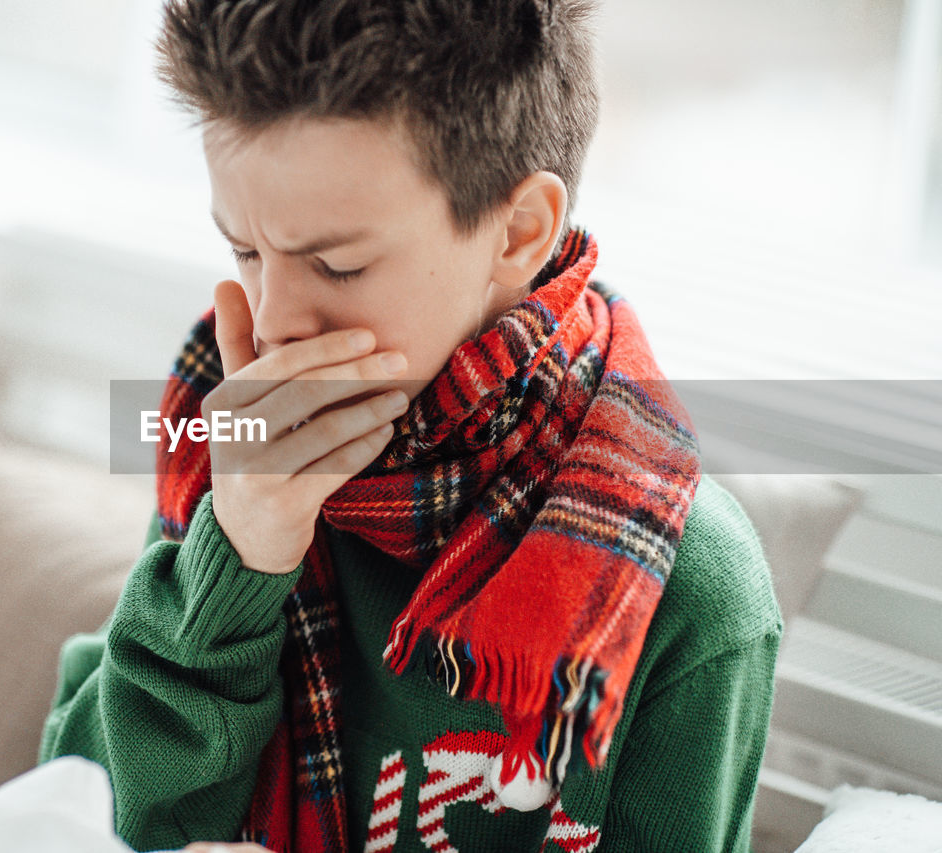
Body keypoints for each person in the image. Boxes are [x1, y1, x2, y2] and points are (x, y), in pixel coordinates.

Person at [40, 1, 782, 851]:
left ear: (519, 231)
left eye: (337, 264)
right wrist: (235, 555)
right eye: (245, 250)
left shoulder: (688, 594)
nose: (273, 320)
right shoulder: (237, 442)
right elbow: (78, 820)